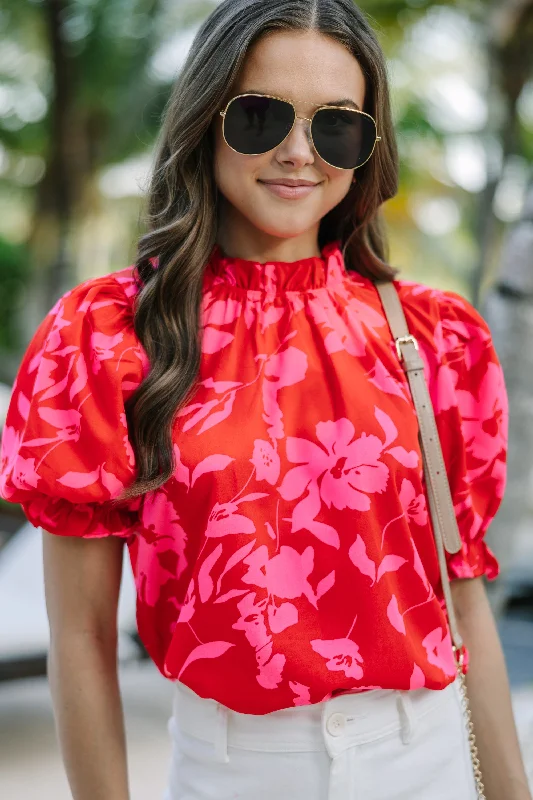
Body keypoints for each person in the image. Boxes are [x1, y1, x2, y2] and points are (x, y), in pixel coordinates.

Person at [0, 1, 531, 798]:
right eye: (258, 116)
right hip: (232, 774)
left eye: (335, 126)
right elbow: (78, 642)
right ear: (205, 120)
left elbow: (464, 611)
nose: (295, 151)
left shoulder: (437, 339)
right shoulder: (105, 339)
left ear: (365, 149)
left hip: (426, 766)